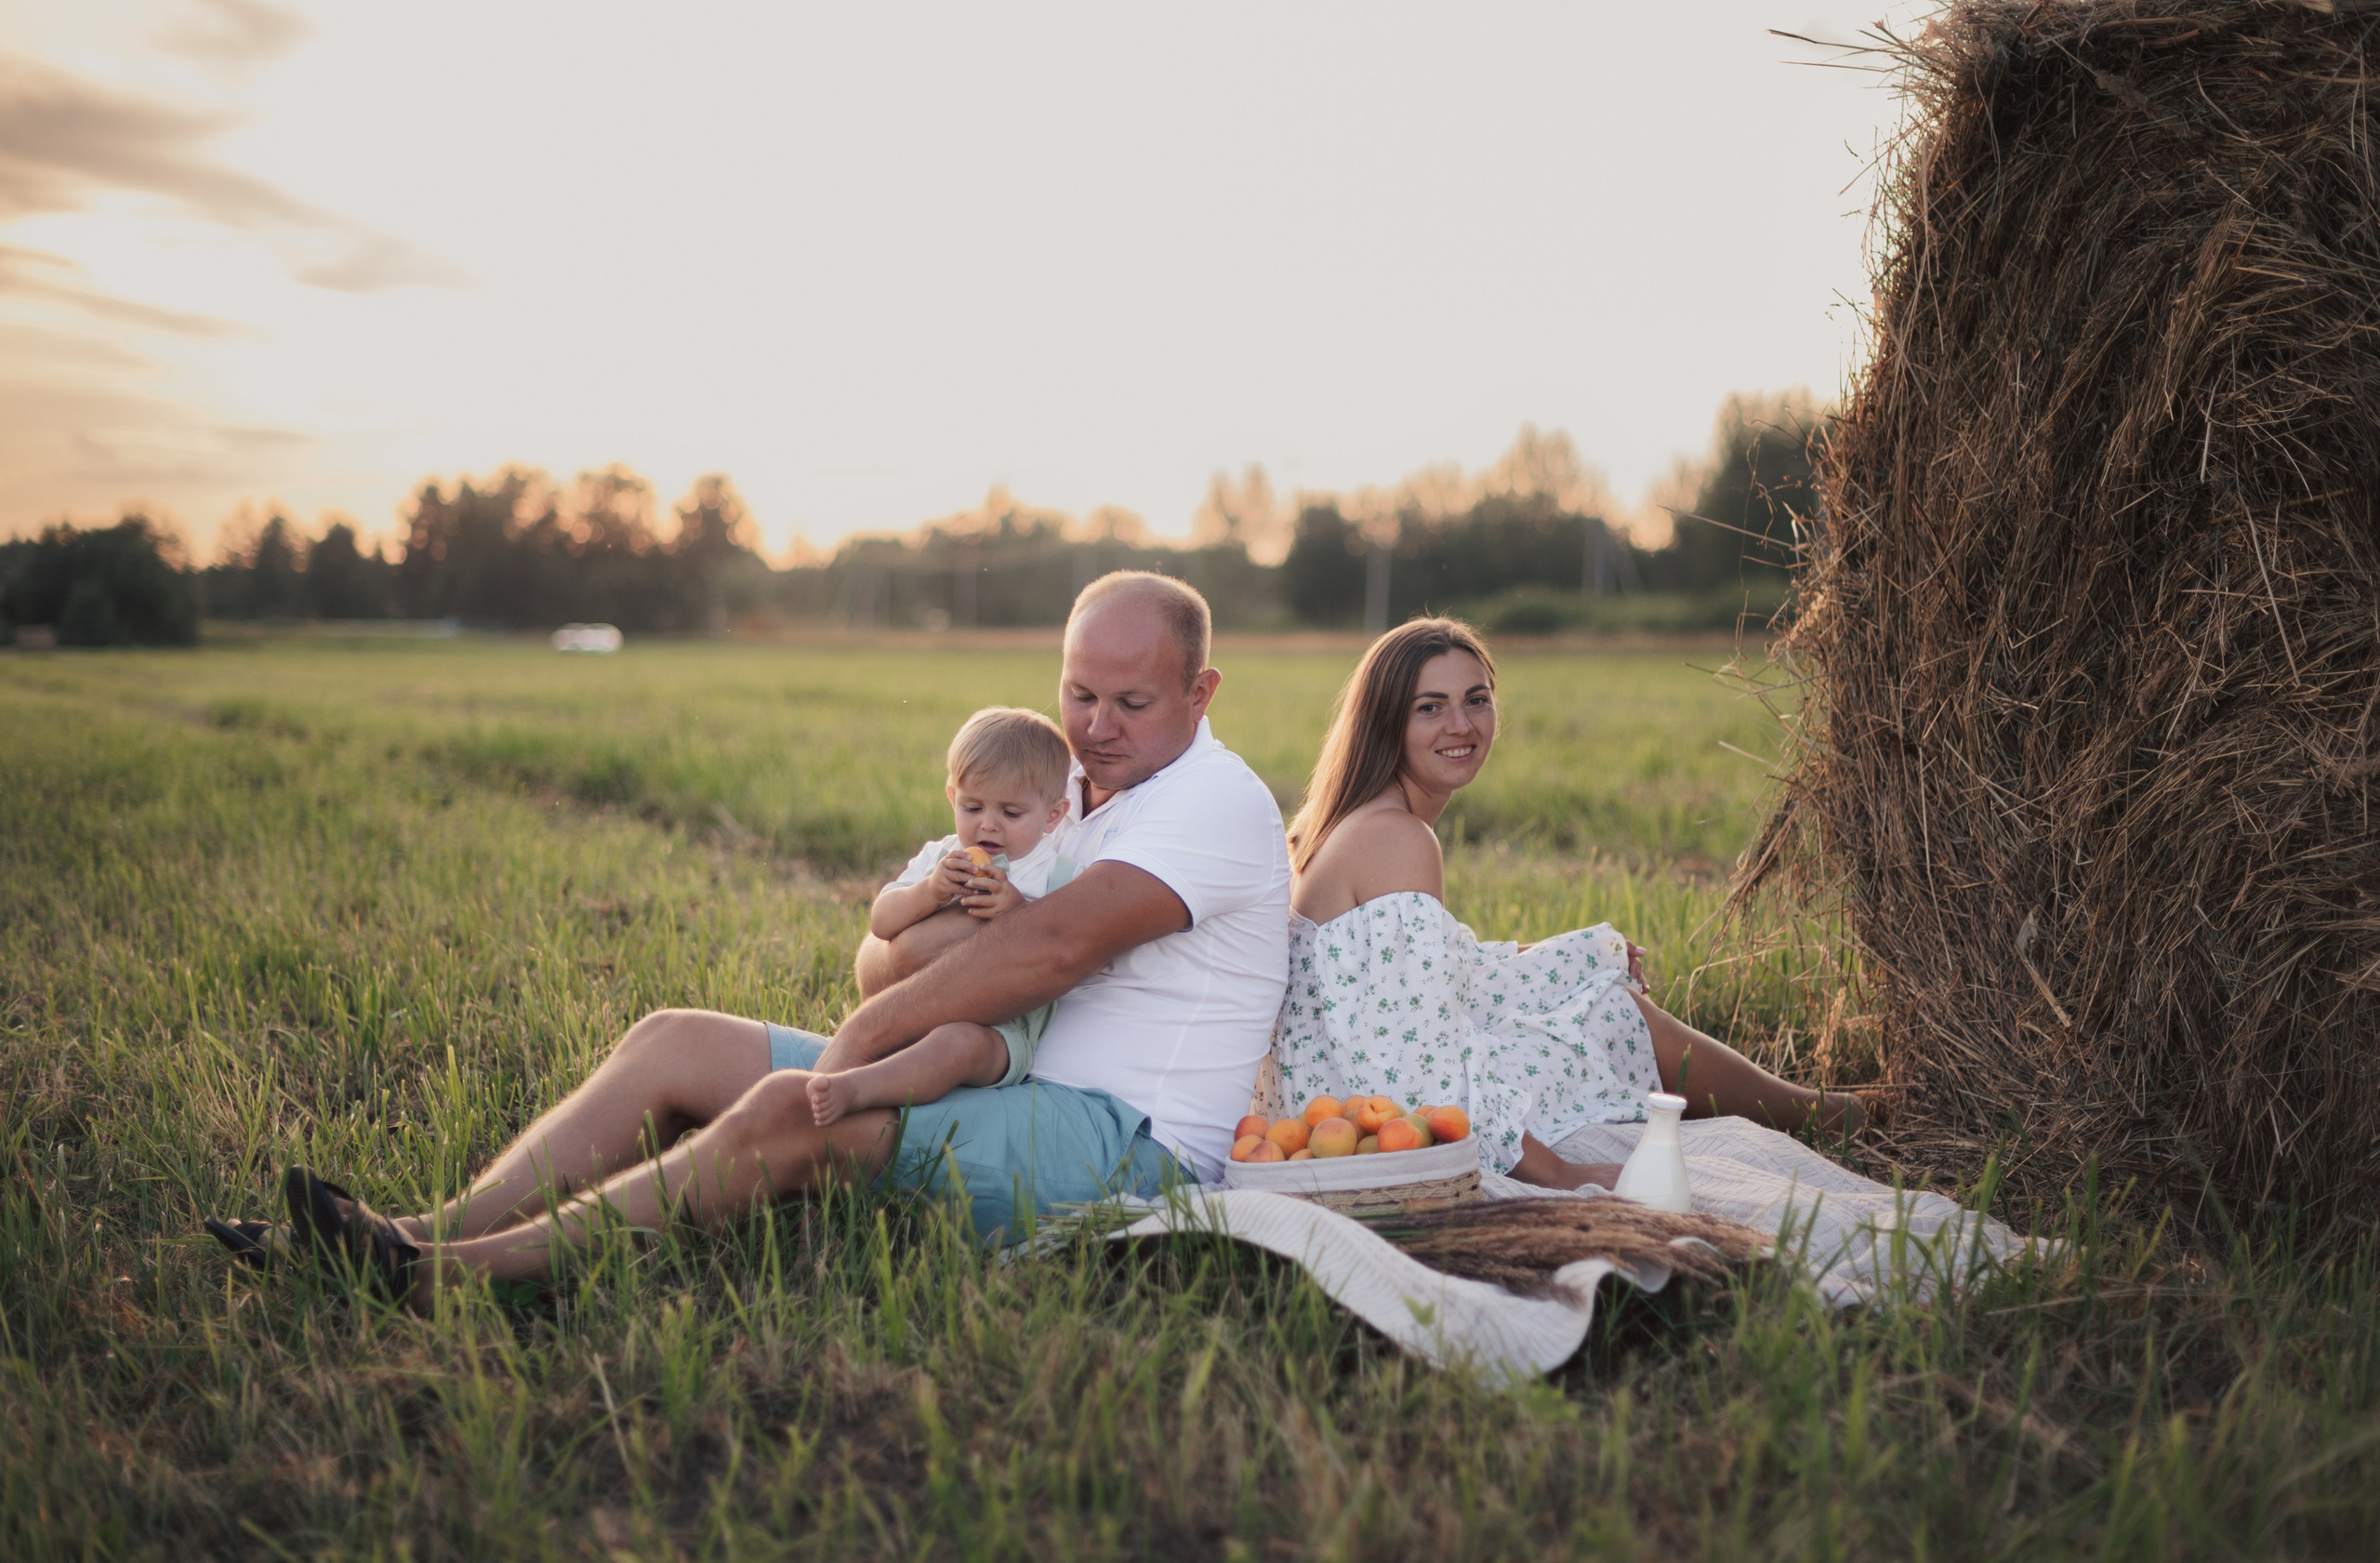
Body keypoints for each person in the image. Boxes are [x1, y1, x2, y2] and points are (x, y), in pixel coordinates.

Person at [215, 572, 1292, 1301]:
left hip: (1122, 1141)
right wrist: (896, 967)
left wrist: (861, 1034)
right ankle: (415, 1230)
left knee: (795, 1105)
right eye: (1079, 693)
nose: (1096, 725)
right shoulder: (1072, 792)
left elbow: (1044, 953)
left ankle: (444, 1281)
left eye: (1131, 701)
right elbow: (888, 953)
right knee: (673, 1037)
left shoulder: (1210, 802)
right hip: (1005, 1081)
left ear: (1199, 692)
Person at [1267, 616, 1871, 1193]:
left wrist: (1579, 954)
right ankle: (1823, 1114)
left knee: (1594, 987)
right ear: (1385, 722)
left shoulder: (1358, 821)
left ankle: (1816, 1109)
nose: (1461, 723)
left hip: (1333, 1089)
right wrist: (1554, 1172)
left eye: (1477, 699)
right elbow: (1424, 1054)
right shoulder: (1397, 836)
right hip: (1359, 1106)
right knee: (1609, 1013)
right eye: (1430, 707)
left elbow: (1436, 967)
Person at [808, 706, 1077, 1127]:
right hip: (918, 1007)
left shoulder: (1057, 873)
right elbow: (882, 922)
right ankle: (856, 1080)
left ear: (1054, 814)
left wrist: (1015, 910)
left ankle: (861, 1089)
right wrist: (930, 891)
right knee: (921, 1038)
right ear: (952, 796)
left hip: (1002, 1032)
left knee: (955, 1045)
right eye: (973, 808)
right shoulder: (941, 856)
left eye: (1011, 813)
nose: (989, 826)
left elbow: (1062, 944)